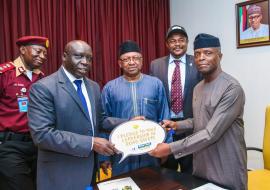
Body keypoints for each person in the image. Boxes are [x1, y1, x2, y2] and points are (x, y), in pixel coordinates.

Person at [149, 33, 247, 190]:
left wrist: (169, 148)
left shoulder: (231, 88)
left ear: (220, 56)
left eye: (208, 53)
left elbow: (211, 133)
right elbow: (200, 119)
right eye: (197, 54)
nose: (201, 58)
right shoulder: (198, 87)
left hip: (225, 166)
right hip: (201, 164)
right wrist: (176, 125)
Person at [27, 40, 117, 190]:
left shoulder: (93, 86)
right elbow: (42, 135)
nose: (85, 62)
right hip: (61, 174)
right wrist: (91, 143)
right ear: (64, 56)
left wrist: (129, 122)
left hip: (90, 171)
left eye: (89, 58)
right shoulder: (43, 88)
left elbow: (100, 121)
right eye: (79, 56)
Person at [100, 40, 170, 176]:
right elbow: (103, 121)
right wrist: (104, 156)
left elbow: (164, 117)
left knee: (152, 183)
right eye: (126, 59)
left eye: (135, 58)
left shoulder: (155, 84)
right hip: (121, 153)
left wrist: (166, 147)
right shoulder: (110, 88)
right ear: (120, 63)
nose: (131, 62)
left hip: (151, 151)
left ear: (142, 61)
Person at [150, 25, 202, 173]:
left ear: (187, 42)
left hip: (191, 126)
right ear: (167, 44)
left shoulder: (198, 62)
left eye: (181, 40)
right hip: (165, 126)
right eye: (173, 41)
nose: (177, 44)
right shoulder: (156, 65)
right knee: (166, 171)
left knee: (191, 170)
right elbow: (154, 95)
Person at [0, 36, 49, 190]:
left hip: (37, 146)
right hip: (9, 146)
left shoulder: (42, 79)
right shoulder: (5, 74)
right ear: (22, 50)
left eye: (45, 54)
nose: (42, 57)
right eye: (38, 51)